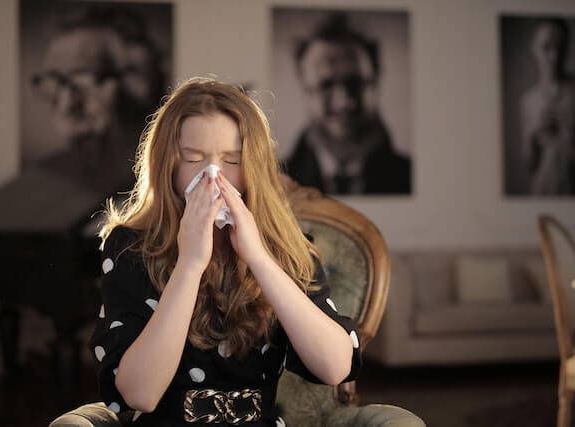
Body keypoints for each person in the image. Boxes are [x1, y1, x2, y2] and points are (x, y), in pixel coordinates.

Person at [88, 78, 362, 425]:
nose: (213, 175)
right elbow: (140, 394)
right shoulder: (130, 248)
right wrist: (190, 264)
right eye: (193, 158)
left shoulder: (285, 248)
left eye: (232, 160)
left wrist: (258, 257)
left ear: (253, 167)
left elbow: (335, 368)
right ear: (167, 164)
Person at [30, 4, 166, 196]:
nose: (66, 104)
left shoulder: (170, 181)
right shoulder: (46, 180)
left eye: (83, 80)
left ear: (138, 84)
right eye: (55, 82)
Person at [284, 13, 411, 195]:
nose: (344, 102)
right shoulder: (274, 181)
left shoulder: (408, 177)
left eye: (356, 83)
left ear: (376, 83)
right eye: (326, 85)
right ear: (304, 88)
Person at [520, 18, 575, 196]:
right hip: (542, 191)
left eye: (560, 47)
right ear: (533, 47)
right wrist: (531, 134)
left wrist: (570, 136)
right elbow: (530, 164)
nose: (554, 56)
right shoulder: (528, 100)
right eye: (546, 47)